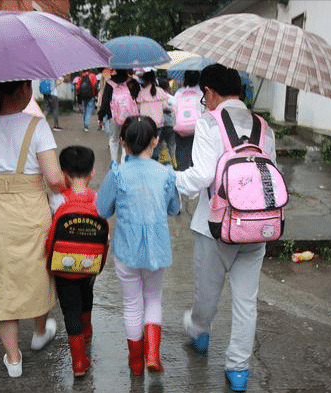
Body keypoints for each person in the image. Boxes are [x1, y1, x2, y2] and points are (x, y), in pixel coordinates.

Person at [175, 64, 277, 392]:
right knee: (246, 301)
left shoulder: (209, 122)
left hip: (215, 227)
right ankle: (238, 370)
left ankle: (199, 332)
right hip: (258, 226)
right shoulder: (265, 128)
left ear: (209, 92)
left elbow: (202, 176)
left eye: (205, 96)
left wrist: (170, 180)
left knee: (207, 295)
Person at [0, 80, 66, 378]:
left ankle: (13, 358)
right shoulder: (36, 126)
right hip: (32, 210)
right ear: (22, 90)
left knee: (2, 281)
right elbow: (53, 179)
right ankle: (39, 332)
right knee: (37, 271)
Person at [96, 116, 180, 376]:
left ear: (122, 141)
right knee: (153, 298)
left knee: (132, 304)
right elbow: (175, 208)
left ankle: (135, 364)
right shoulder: (165, 173)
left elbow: (101, 209)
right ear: (155, 141)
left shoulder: (118, 173)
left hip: (127, 249)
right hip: (157, 249)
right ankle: (153, 354)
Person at [46, 145, 99, 378]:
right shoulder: (96, 199)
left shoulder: (56, 199)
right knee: (87, 296)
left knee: (70, 310)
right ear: (92, 173)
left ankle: (78, 362)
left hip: (62, 266)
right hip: (89, 264)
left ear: (63, 174)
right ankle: (87, 330)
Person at [97, 69, 140, 163]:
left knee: (114, 140)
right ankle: (124, 163)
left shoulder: (110, 83)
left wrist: (101, 116)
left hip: (114, 116)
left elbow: (105, 102)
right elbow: (137, 98)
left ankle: (114, 163)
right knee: (126, 140)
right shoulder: (133, 83)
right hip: (130, 117)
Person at [136, 71, 170, 162]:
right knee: (156, 146)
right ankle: (154, 162)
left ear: (145, 81)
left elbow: (138, 108)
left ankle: (146, 162)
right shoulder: (161, 91)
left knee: (146, 145)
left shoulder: (141, 93)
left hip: (145, 124)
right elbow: (165, 106)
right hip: (158, 124)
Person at [173, 70, 202, 171]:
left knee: (182, 155)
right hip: (197, 129)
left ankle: (182, 176)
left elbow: (173, 109)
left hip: (181, 130)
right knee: (197, 156)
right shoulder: (201, 93)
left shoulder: (179, 93)